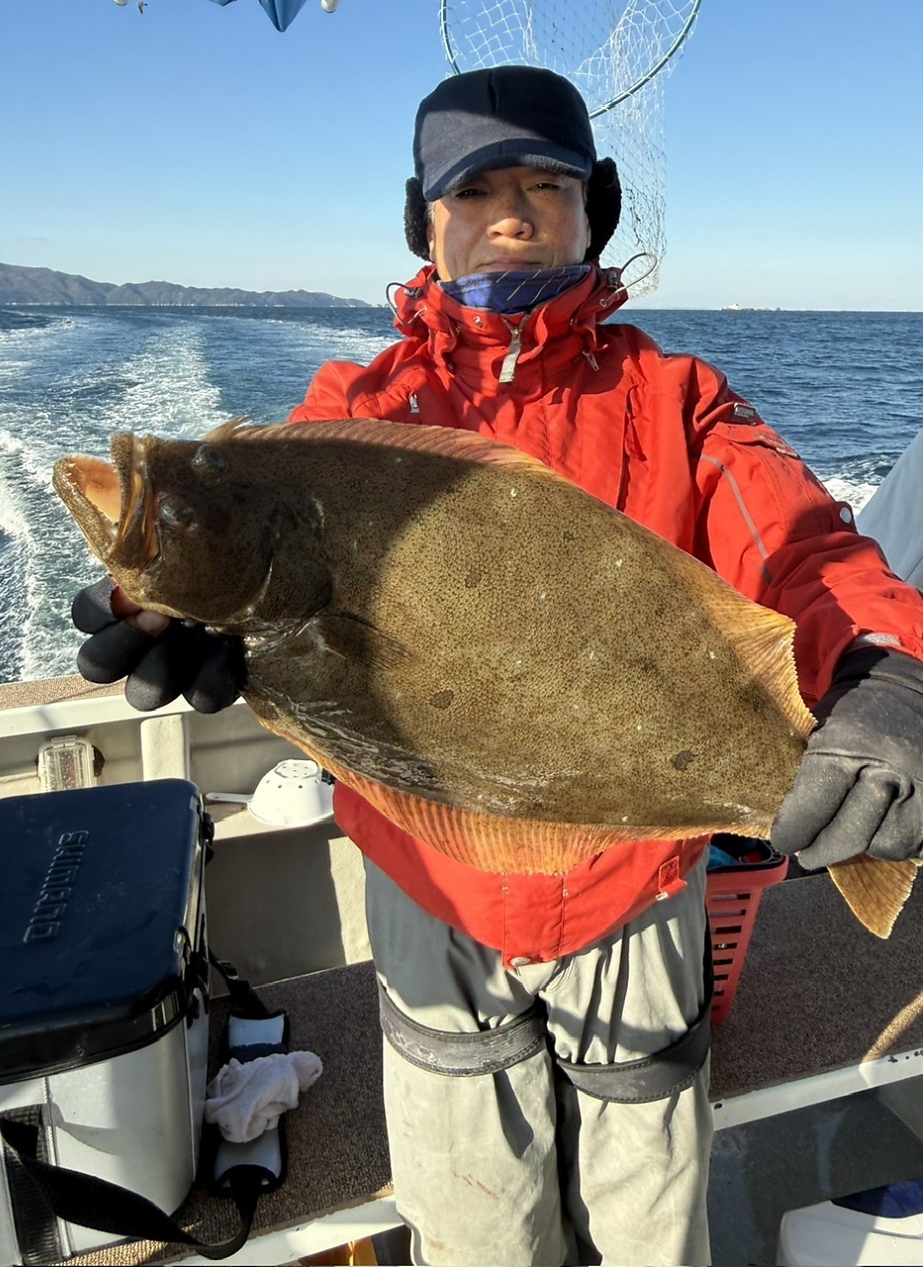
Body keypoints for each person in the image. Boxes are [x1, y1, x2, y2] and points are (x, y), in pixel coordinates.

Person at [72, 66, 923, 1267]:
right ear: (423, 223)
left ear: (594, 213)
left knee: (647, 1197)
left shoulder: (675, 398)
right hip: (428, 879)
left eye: (545, 186)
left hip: (635, 878)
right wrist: (168, 610)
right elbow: (281, 607)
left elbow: (802, 548)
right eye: (472, 191)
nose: (510, 214)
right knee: (473, 1207)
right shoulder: (351, 414)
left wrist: (886, 667)